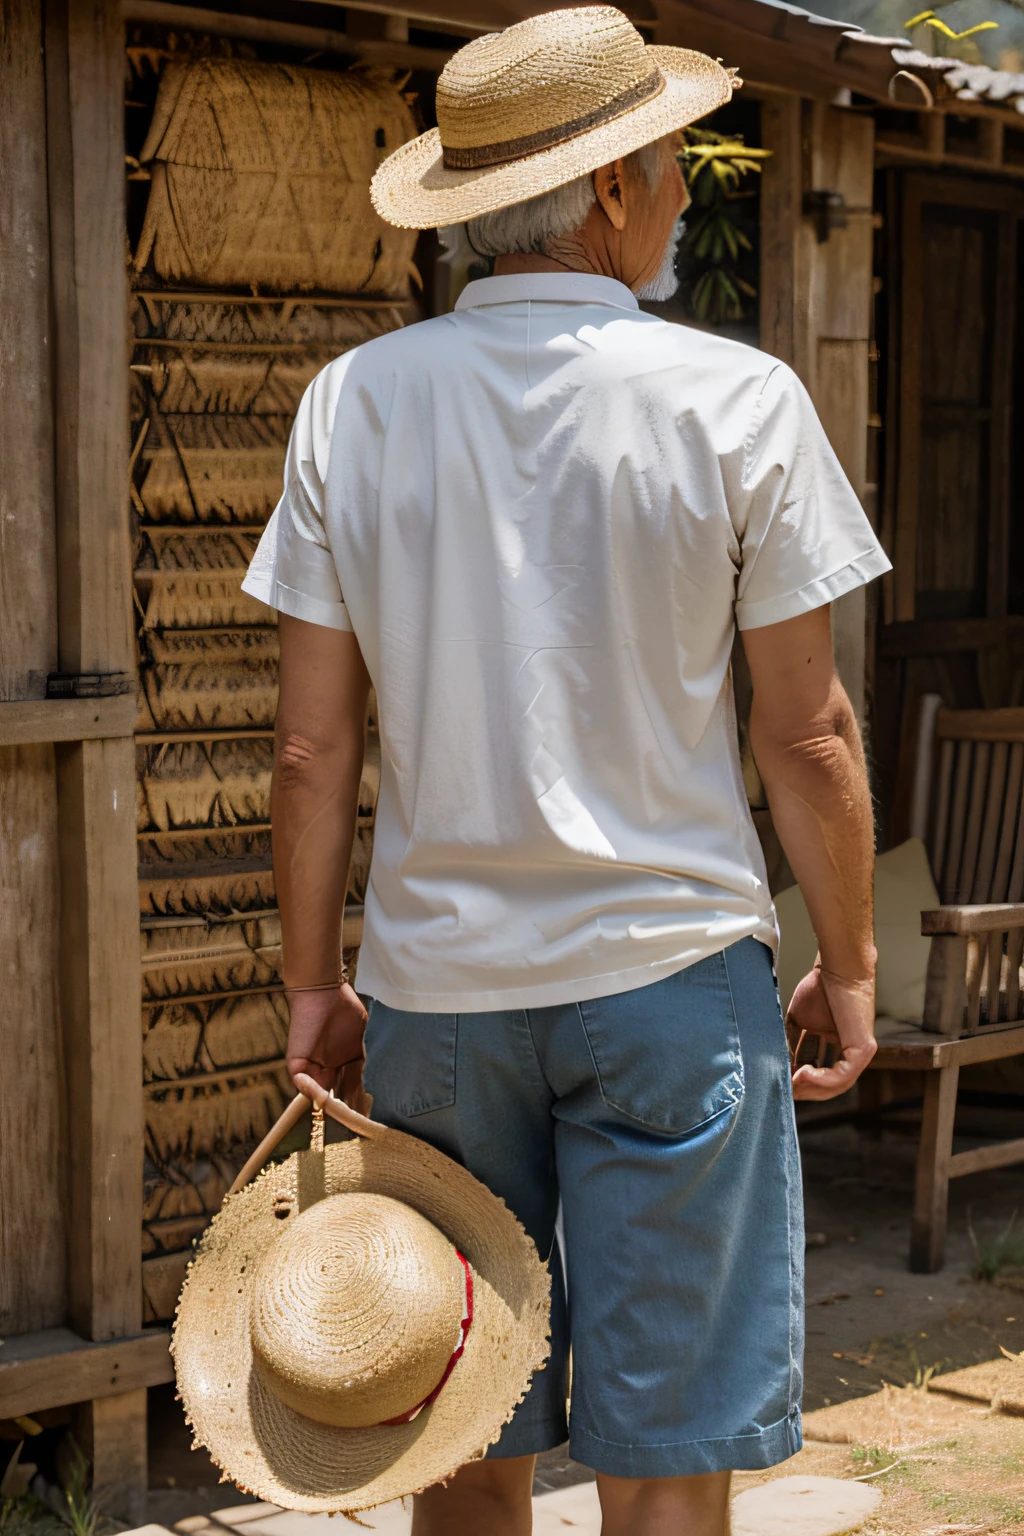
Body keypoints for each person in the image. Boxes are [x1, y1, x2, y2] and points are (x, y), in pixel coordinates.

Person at [242, 8, 890, 1533]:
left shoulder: (356, 401)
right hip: (672, 986)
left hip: (439, 1002)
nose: (681, 197)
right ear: (605, 189)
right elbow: (805, 734)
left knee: (460, 1422)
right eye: (669, 169)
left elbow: (308, 747)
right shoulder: (735, 402)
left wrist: (313, 984)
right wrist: (851, 958)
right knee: (669, 1449)